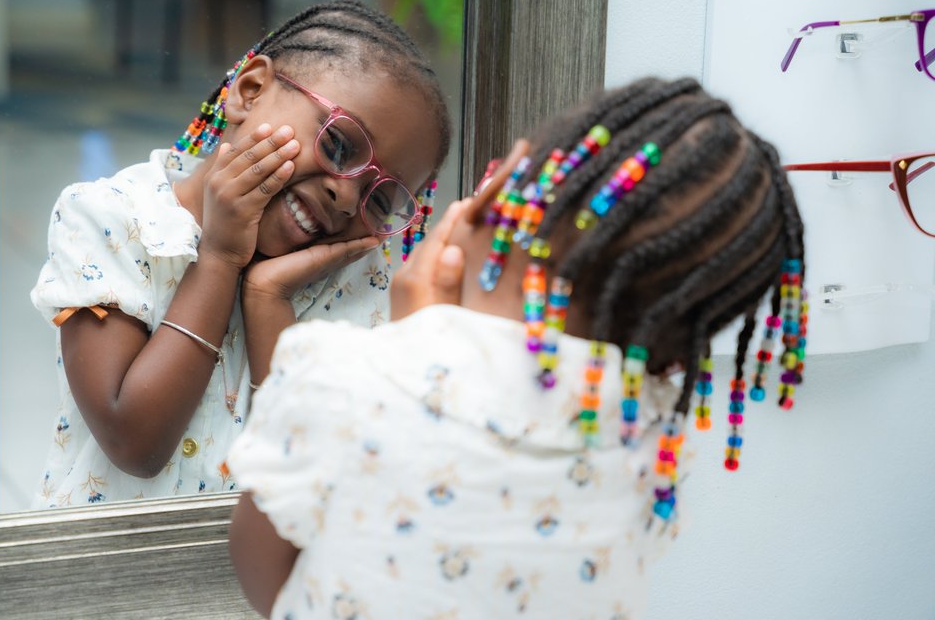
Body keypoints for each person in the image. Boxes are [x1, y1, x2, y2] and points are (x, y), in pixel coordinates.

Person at [227, 77, 807, 618]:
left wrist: (409, 348)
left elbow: (264, 579)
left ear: (506, 187)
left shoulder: (338, 373)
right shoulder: (655, 446)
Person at [30, 0, 452, 506]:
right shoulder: (111, 219)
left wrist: (269, 300)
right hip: (102, 581)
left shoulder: (362, 281)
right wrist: (220, 259)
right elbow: (134, 441)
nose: (347, 196)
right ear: (249, 91)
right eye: (339, 145)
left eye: (380, 198)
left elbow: (309, 490)